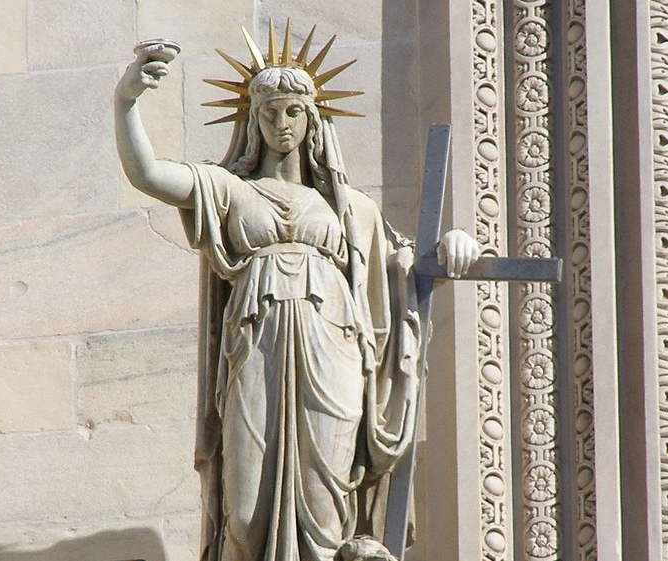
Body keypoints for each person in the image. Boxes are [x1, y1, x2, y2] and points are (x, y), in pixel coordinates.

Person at [114, 24, 480, 561]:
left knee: (324, 502)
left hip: (332, 347)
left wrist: (453, 244)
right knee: (243, 513)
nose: (281, 124)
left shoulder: (349, 208)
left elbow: (402, 271)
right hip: (254, 345)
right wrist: (126, 100)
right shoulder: (229, 189)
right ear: (251, 119)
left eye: (293, 112)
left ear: (313, 120)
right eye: (268, 112)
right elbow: (147, 174)